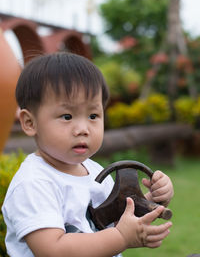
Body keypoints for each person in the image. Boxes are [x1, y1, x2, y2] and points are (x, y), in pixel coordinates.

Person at [2, 52, 174, 257]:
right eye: (67, 116)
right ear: (30, 123)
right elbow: (53, 250)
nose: (83, 129)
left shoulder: (94, 172)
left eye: (93, 115)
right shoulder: (34, 183)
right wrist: (121, 238)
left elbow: (114, 222)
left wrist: (150, 201)